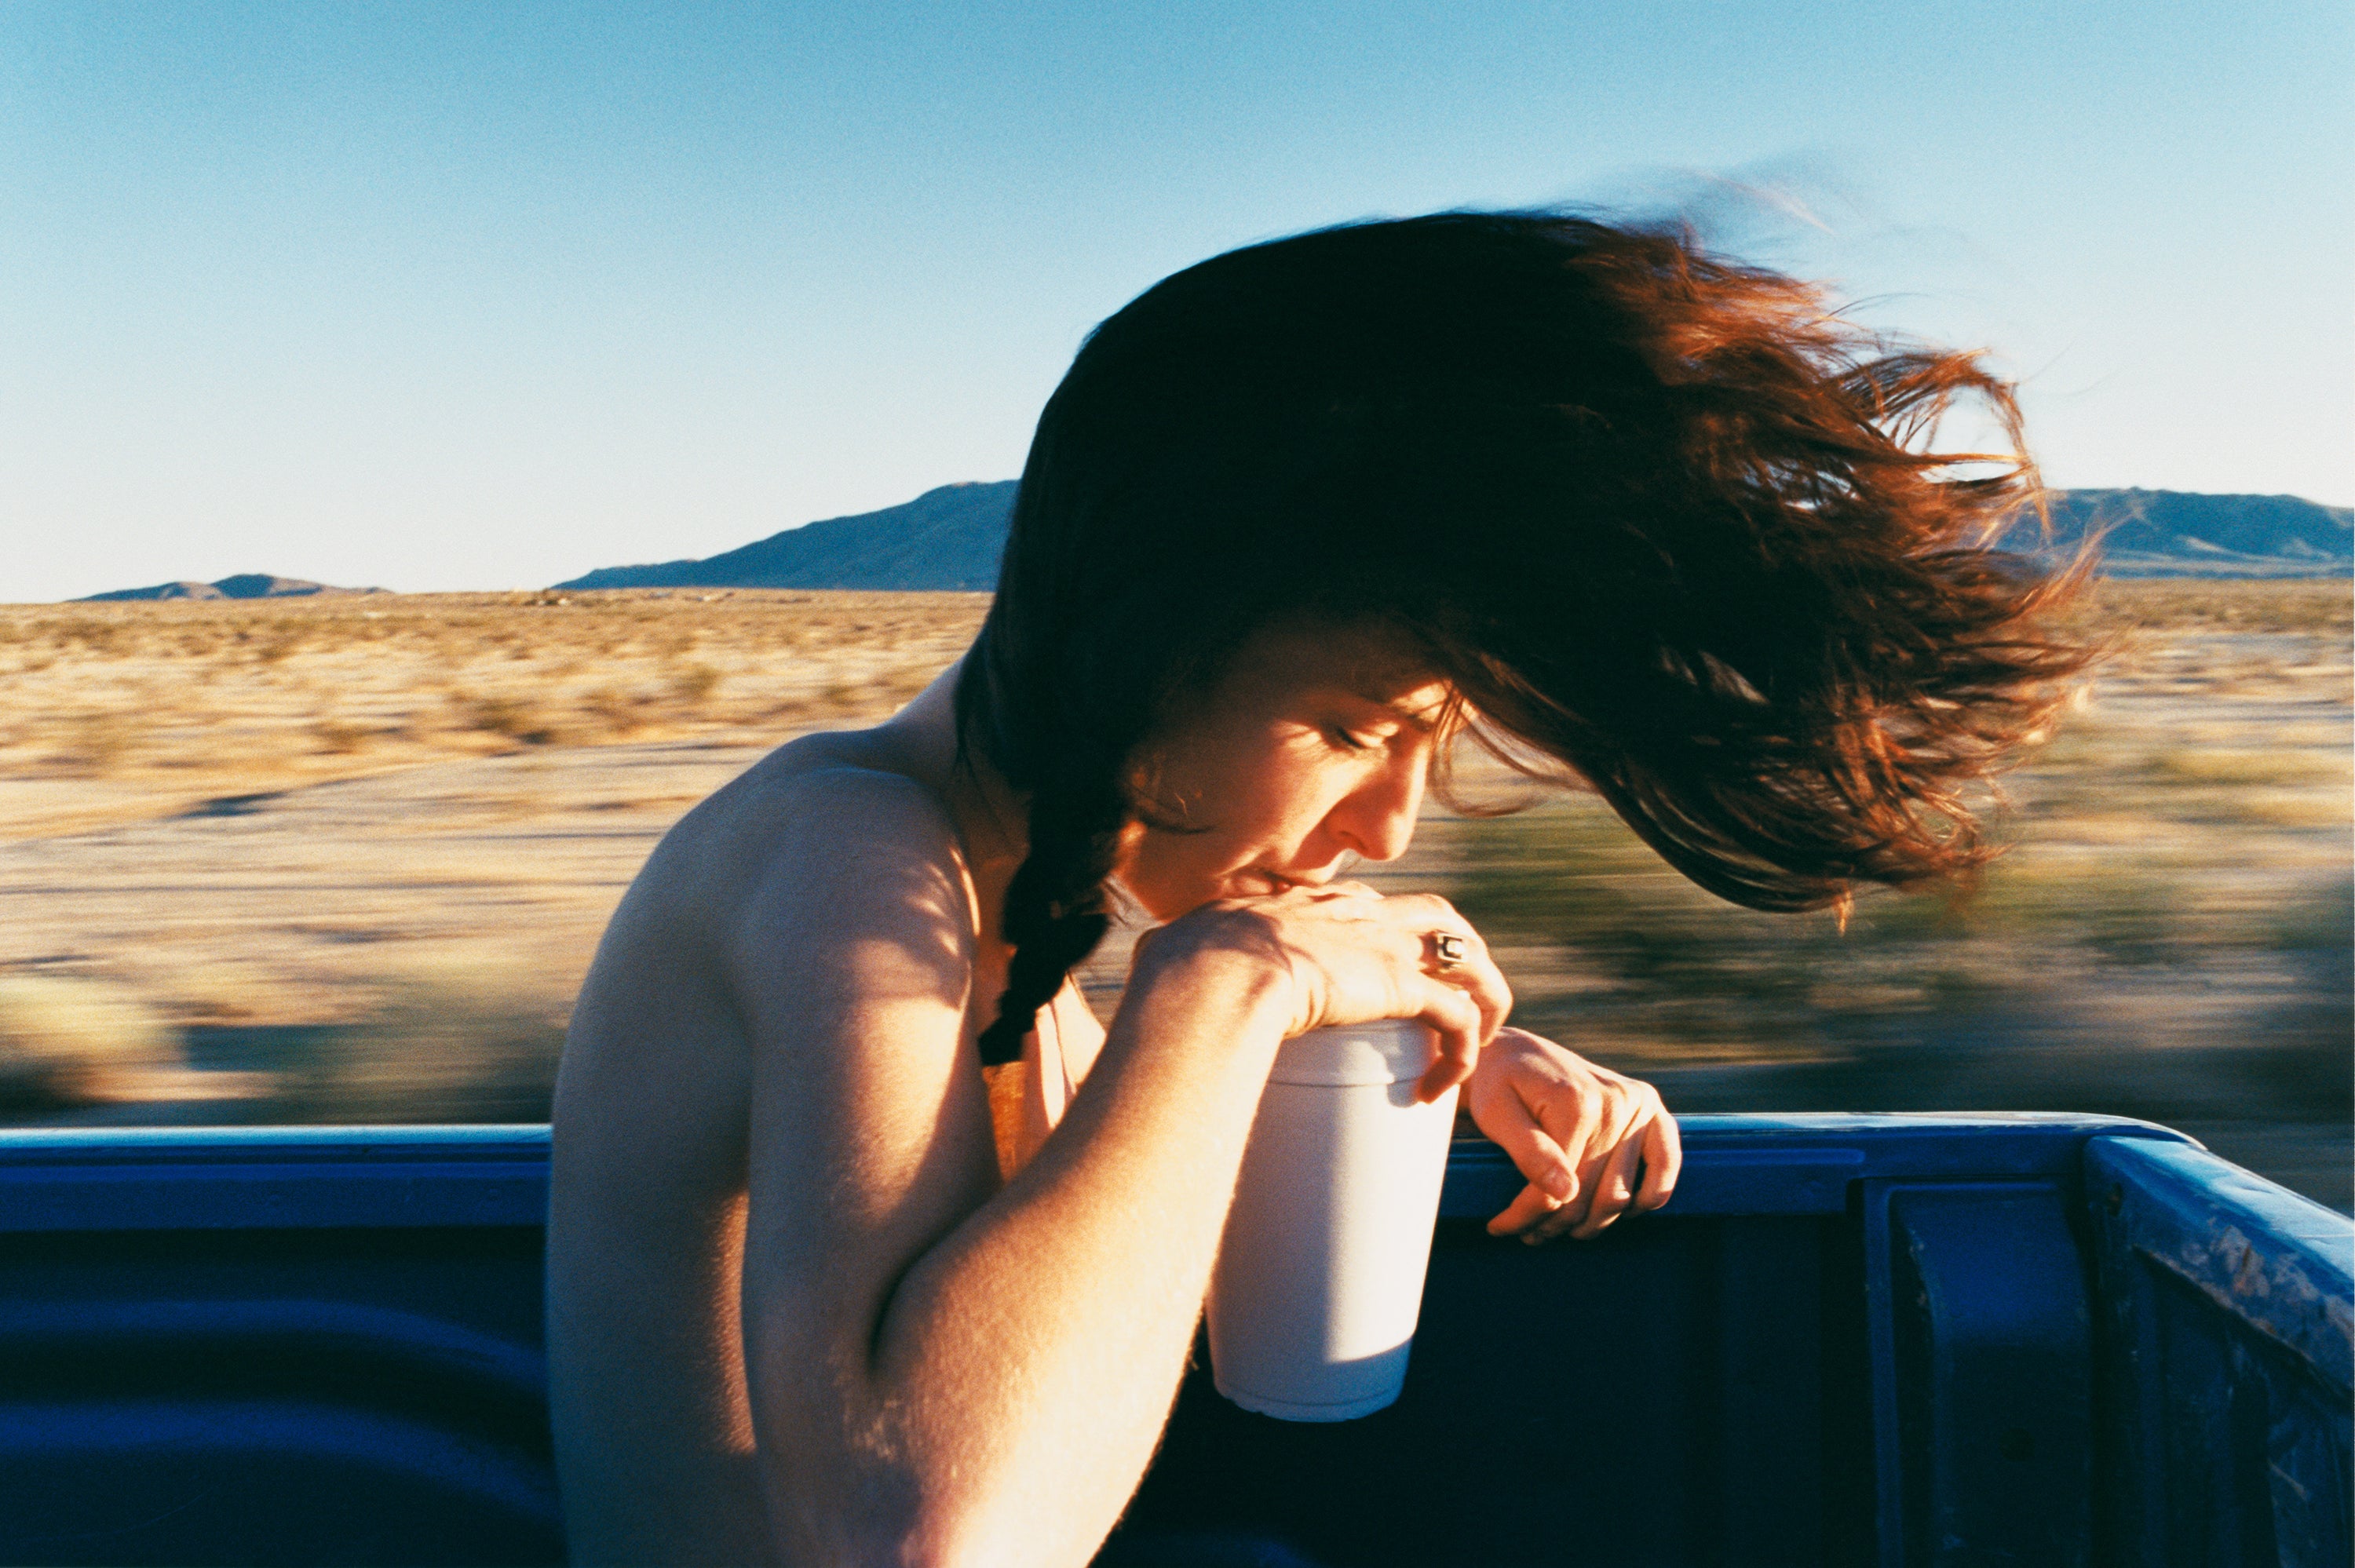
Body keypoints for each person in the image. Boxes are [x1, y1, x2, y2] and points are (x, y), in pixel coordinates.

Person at [546, 210, 2091, 1566]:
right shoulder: (850, 854)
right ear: (1140, 642)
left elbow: (1078, 1303)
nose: (1387, 822)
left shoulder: (1012, 911)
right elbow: (923, 1538)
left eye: (1428, 738)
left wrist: (1384, 1075)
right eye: (1355, 727)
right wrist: (1233, 991)